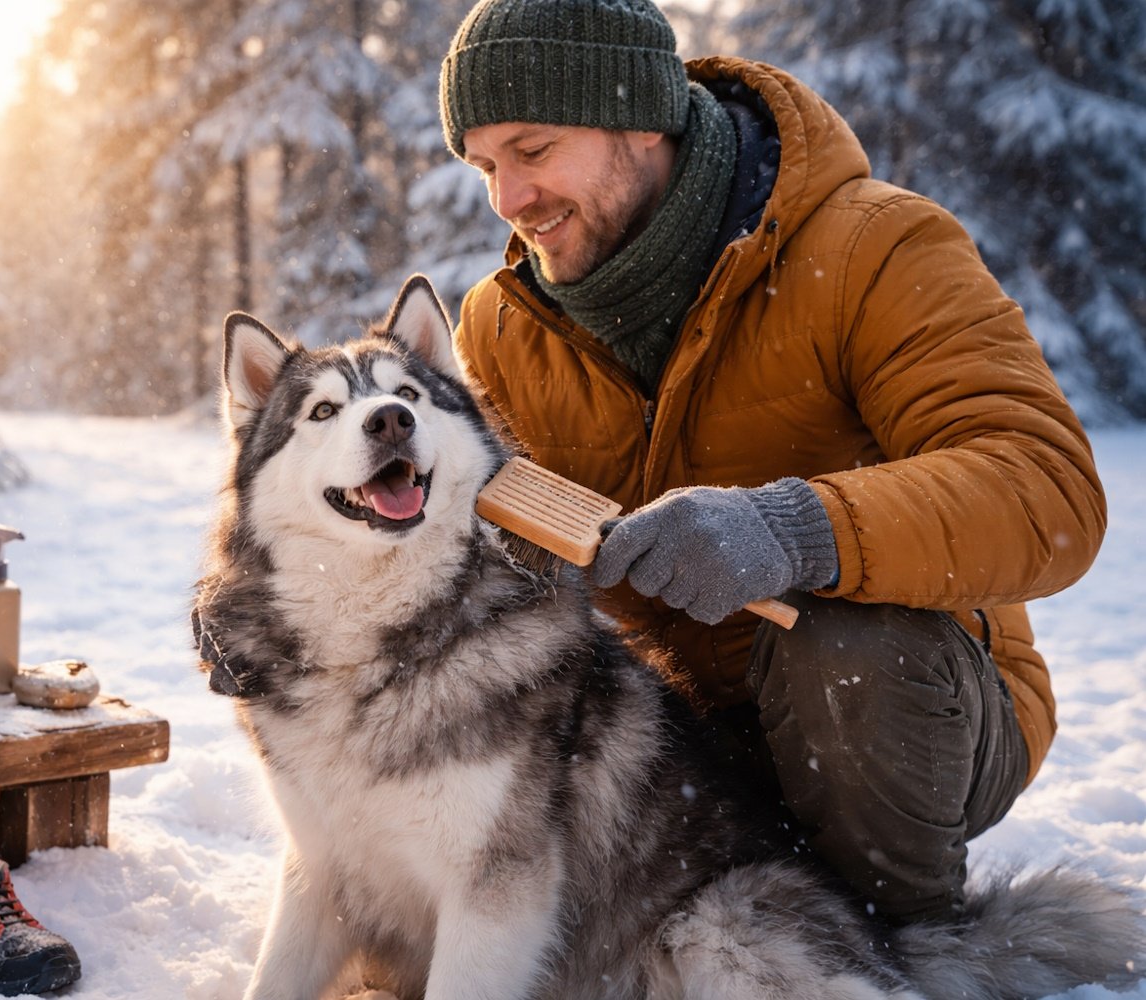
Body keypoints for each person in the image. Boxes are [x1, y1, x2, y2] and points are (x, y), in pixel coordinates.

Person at [438, 0, 1106, 924]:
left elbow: (1048, 489)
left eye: (534, 148)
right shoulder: (503, 323)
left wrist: (793, 530)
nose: (508, 200)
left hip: (913, 712)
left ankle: (898, 948)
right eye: (484, 167)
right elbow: (462, 528)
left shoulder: (875, 247)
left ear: (639, 115)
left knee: (840, 645)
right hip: (675, 743)